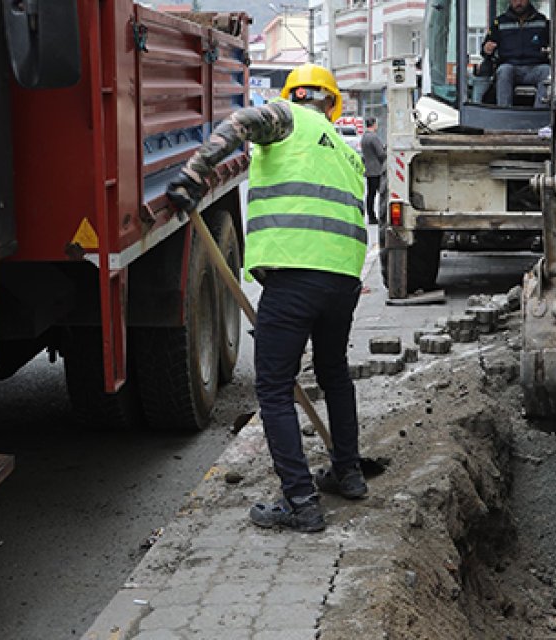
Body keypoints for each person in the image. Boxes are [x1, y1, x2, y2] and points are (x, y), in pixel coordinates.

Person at [166, 64, 369, 534]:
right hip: (342, 279)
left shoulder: (288, 117)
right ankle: (348, 473)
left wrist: (196, 173)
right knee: (334, 372)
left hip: (295, 272)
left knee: (274, 387)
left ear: (295, 95)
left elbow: (238, 125)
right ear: (332, 102)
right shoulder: (344, 148)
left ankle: (300, 500)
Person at [482, 0, 550, 107]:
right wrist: (487, 49)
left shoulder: (542, 22)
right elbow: (486, 47)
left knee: (547, 71)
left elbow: (553, 44)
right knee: (503, 71)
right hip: (510, 66)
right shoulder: (500, 23)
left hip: (535, 67)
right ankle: (504, 111)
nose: (518, 2)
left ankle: (540, 111)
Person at [361, 117, 386, 225]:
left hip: (369, 169)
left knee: (370, 194)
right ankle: (378, 216)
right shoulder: (374, 138)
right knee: (380, 193)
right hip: (377, 169)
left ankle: (371, 215)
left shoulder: (364, 137)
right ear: (374, 124)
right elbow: (380, 153)